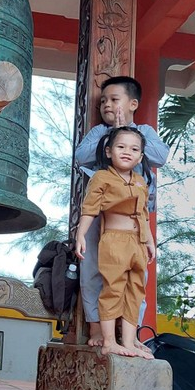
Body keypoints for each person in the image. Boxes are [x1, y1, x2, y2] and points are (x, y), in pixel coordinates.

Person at [74, 76, 169, 346]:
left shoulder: (145, 132)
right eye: (103, 101)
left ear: (133, 104)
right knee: (93, 268)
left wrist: (127, 134)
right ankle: (96, 328)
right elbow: (81, 157)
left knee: (136, 276)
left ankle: (131, 334)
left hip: (135, 220)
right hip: (101, 215)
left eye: (114, 99)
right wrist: (111, 135)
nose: (107, 105)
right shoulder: (98, 133)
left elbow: (160, 157)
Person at [74, 126, 156, 358]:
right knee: (113, 288)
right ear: (109, 151)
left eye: (134, 149)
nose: (127, 152)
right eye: (121, 147)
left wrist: (149, 242)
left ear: (140, 156)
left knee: (135, 291)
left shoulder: (140, 181)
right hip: (114, 241)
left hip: (137, 242)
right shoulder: (102, 177)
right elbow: (90, 209)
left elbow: (144, 215)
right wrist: (81, 235)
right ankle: (109, 341)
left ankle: (128, 342)